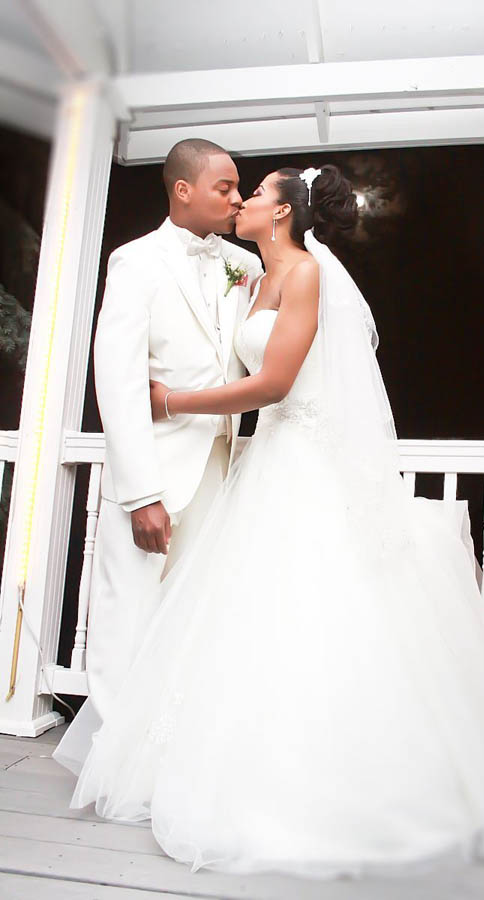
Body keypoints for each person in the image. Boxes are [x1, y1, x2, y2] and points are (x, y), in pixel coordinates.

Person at [67, 164, 484, 879]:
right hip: (262, 463)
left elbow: (275, 383)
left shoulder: (310, 275)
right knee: (239, 619)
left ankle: (313, 780)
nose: (244, 200)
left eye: (256, 193)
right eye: (237, 189)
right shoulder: (252, 276)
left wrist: (172, 402)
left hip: (303, 459)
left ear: (285, 212)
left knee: (309, 611)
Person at [52, 139, 262, 772]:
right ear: (183, 189)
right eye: (225, 187)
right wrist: (141, 493)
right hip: (156, 472)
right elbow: (118, 382)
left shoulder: (243, 264)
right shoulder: (135, 261)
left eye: (240, 188)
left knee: (193, 617)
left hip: (223, 468)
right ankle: (115, 765)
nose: (237, 198)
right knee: (128, 615)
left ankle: (172, 760)